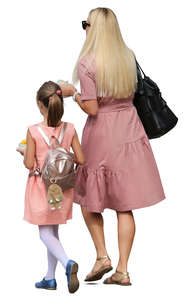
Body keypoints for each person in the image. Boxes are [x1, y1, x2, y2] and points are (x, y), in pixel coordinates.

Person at [60, 7, 166, 286]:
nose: (84, 29)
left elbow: (93, 108)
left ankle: (102, 256)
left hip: (102, 133)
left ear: (92, 29)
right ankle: (122, 270)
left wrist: (74, 96)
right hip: (130, 131)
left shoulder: (87, 62)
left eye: (86, 24)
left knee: (87, 195)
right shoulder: (127, 57)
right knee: (124, 203)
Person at [17, 81, 85, 293]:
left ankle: (68, 264)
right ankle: (49, 278)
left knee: (45, 234)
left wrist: (23, 151)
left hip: (41, 188)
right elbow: (81, 159)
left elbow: (29, 164)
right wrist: (63, 154)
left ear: (40, 104)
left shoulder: (33, 131)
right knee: (53, 232)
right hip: (63, 188)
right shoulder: (70, 128)